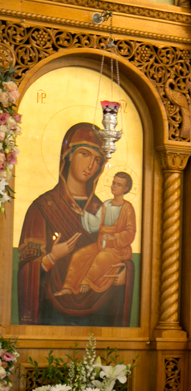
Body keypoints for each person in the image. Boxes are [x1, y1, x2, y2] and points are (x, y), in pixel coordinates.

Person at [17, 122, 136, 327]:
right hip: (52, 316)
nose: (91, 165)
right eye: (84, 154)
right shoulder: (42, 208)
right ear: (69, 155)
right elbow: (25, 270)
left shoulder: (104, 208)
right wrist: (52, 257)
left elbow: (120, 248)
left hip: (101, 312)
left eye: (98, 159)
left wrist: (126, 273)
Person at [56, 171, 137, 296]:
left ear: (126, 189)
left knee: (102, 257)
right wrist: (82, 213)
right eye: (113, 183)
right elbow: (95, 224)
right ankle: (69, 286)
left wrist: (114, 237)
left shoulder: (128, 208)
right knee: (79, 255)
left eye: (119, 185)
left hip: (118, 249)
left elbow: (130, 232)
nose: (114, 186)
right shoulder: (105, 205)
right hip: (101, 244)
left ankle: (86, 281)